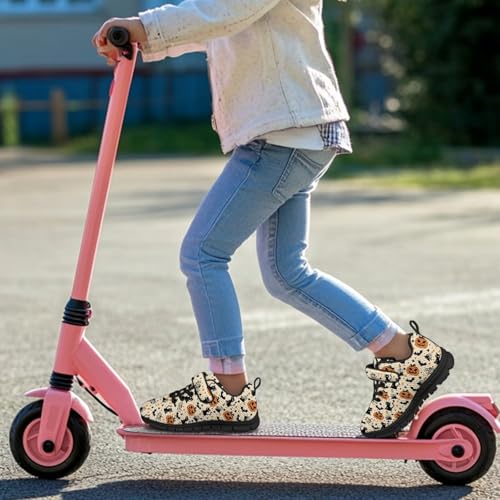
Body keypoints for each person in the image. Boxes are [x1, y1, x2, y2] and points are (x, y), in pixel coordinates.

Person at [93, 0, 454, 438]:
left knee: (203, 254)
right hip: (293, 130)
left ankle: (228, 392)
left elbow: (224, 11)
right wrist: (143, 40)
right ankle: (402, 354)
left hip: (283, 134)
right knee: (286, 272)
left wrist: (144, 27)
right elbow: (213, 23)